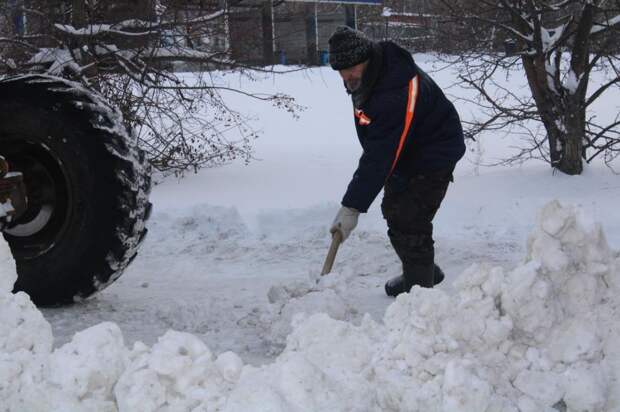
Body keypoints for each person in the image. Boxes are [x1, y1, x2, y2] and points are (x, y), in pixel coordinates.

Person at [327, 26, 466, 297]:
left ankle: (420, 293)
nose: (346, 77)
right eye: (340, 71)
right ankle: (422, 271)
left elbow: (380, 154)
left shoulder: (395, 90)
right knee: (395, 210)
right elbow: (378, 138)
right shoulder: (370, 75)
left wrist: (352, 206)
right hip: (407, 149)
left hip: (433, 152)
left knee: (410, 219)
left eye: (351, 69)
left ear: (365, 59)